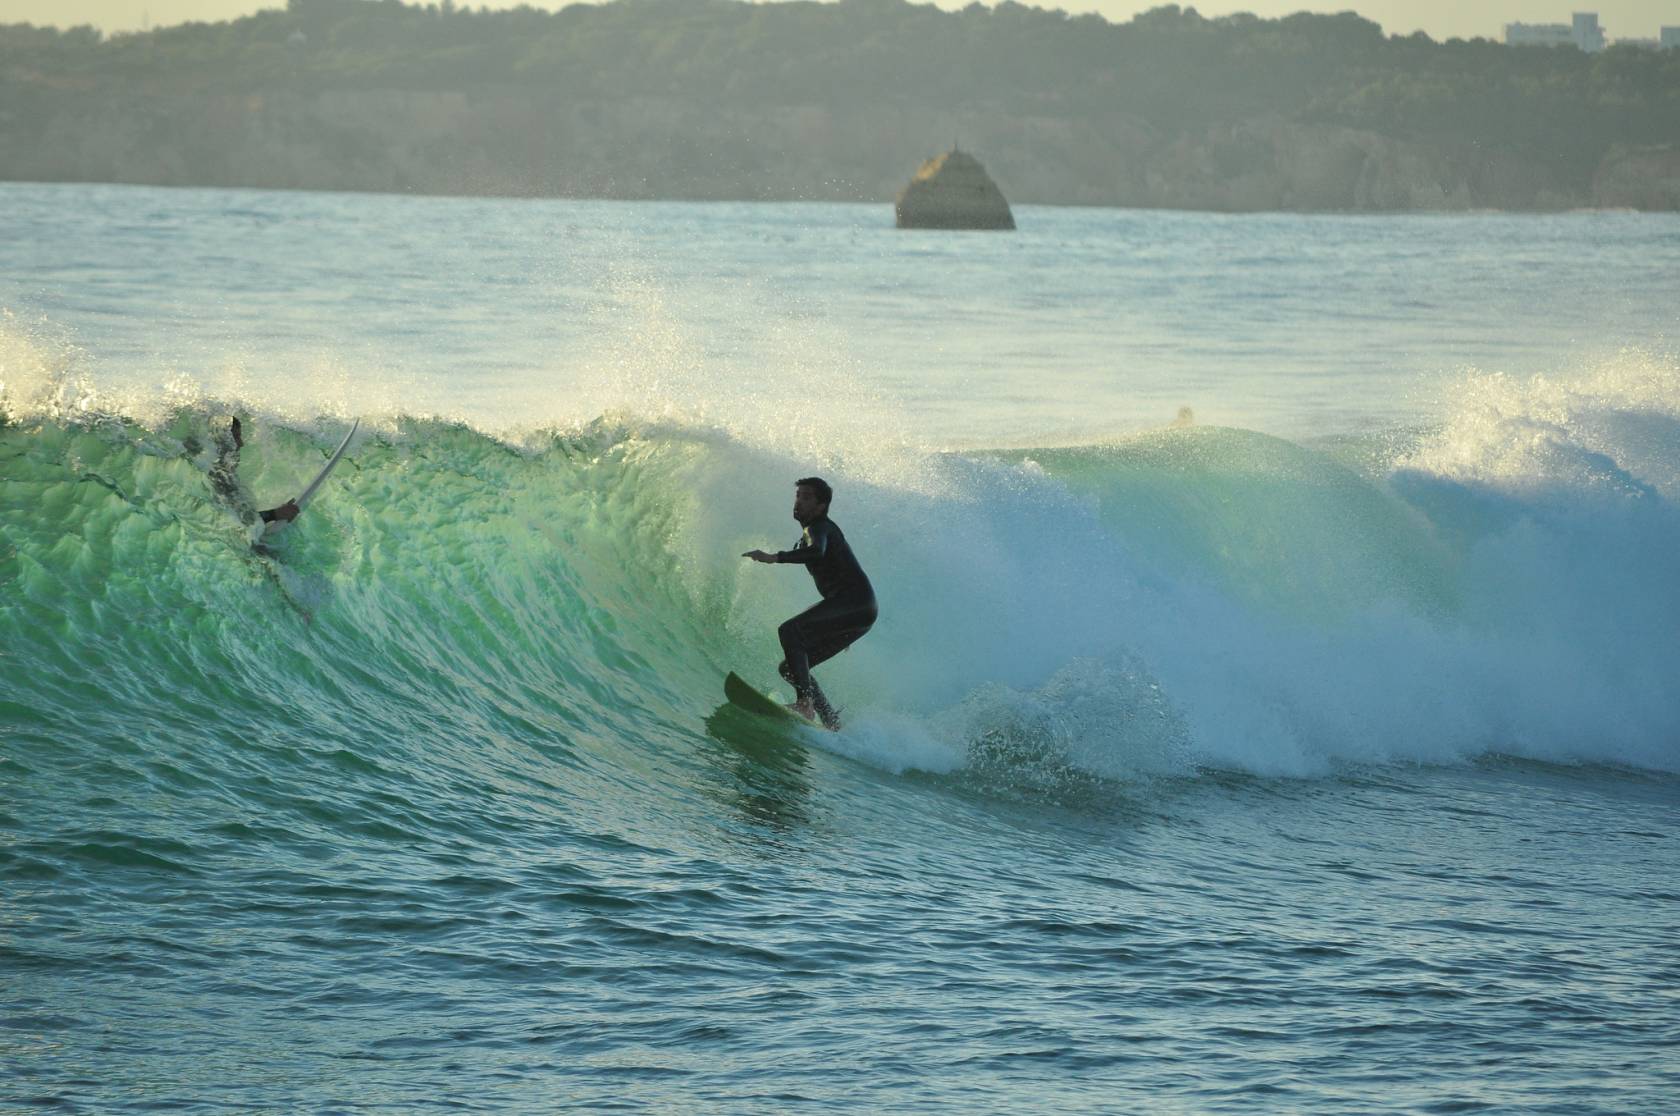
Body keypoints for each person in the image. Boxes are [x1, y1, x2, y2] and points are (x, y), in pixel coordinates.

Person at [742, 476, 876, 730]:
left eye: (807, 498)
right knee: (790, 669)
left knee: (789, 631)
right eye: (798, 496)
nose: (799, 502)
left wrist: (775, 557)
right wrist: (840, 624)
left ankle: (805, 704)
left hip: (855, 602)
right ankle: (832, 721)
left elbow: (817, 552)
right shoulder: (815, 530)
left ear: (821, 505)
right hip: (858, 609)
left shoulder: (818, 528)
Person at [209, 417, 300, 526]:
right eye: (236, 437)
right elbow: (239, 522)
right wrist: (274, 514)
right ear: (222, 439)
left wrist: (276, 513)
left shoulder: (220, 472)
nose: (241, 443)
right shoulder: (219, 477)